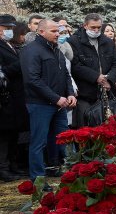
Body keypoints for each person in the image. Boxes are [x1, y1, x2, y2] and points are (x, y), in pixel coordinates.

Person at [20, 18, 77, 180]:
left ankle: (69, 172)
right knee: (39, 142)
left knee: (63, 138)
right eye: (53, 31)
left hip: (60, 103)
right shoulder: (31, 50)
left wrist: (70, 93)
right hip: (40, 104)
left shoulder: (56, 49)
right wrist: (56, 97)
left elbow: (65, 74)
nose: (57, 33)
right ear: (41, 31)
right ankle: (38, 179)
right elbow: (32, 79)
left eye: (58, 30)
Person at [67, 13, 116, 126]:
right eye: (93, 27)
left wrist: (110, 79)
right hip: (85, 94)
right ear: (85, 26)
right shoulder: (74, 41)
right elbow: (75, 66)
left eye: (99, 27)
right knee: (86, 127)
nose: (96, 30)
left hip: (106, 92)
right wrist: (96, 77)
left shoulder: (107, 42)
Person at [0, 15, 29, 180]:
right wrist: (20, 64)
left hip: (16, 96)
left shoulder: (9, 44)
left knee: (13, 133)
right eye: (6, 28)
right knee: (4, 135)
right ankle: (3, 168)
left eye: (11, 28)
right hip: (5, 97)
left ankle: (13, 165)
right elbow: (3, 70)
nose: (9, 31)